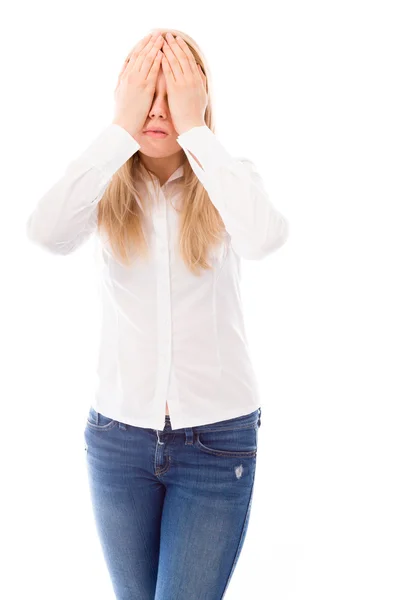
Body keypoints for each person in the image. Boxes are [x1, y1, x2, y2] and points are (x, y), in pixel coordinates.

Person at [26, 27, 289, 600]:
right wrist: (119, 130)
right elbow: (44, 232)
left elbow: (266, 237)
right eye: (147, 92)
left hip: (217, 446)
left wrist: (196, 131)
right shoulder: (103, 191)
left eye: (175, 93)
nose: (158, 110)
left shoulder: (227, 178)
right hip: (118, 443)